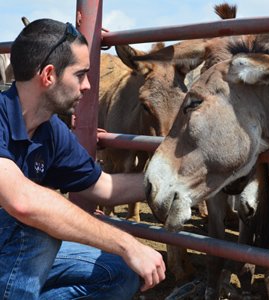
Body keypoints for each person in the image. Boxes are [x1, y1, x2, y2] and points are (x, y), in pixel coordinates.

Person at [0, 18, 166, 299]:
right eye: (80, 74)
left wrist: (176, 180)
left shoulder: (51, 131)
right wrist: (127, 243)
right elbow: (23, 202)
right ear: (49, 75)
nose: (88, 86)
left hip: (9, 250)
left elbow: (103, 186)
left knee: (121, 273)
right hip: (14, 241)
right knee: (38, 229)